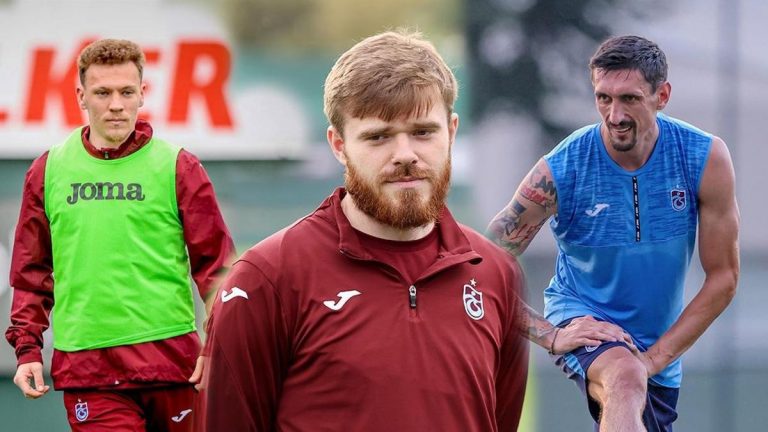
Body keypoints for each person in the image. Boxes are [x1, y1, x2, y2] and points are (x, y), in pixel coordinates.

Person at [203, 30, 528, 432]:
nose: (405, 155)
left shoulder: (497, 273)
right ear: (338, 145)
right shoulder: (266, 279)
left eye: (423, 132)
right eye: (378, 137)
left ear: (452, 131)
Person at [487, 35, 740, 431]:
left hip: (659, 352)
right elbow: (480, 264)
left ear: (662, 96)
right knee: (624, 375)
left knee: (631, 381)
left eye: (630, 99)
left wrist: (654, 359)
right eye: (603, 98)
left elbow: (724, 277)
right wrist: (550, 335)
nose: (615, 115)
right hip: (582, 319)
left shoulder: (703, 158)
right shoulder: (562, 169)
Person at [5, 39, 235, 431]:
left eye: (127, 92)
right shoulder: (48, 170)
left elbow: (217, 268)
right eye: (103, 93)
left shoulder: (178, 166)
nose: (116, 105)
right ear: (81, 96)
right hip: (89, 369)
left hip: (171, 363)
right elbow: (31, 269)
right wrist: (27, 348)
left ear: (142, 94)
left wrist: (217, 345)